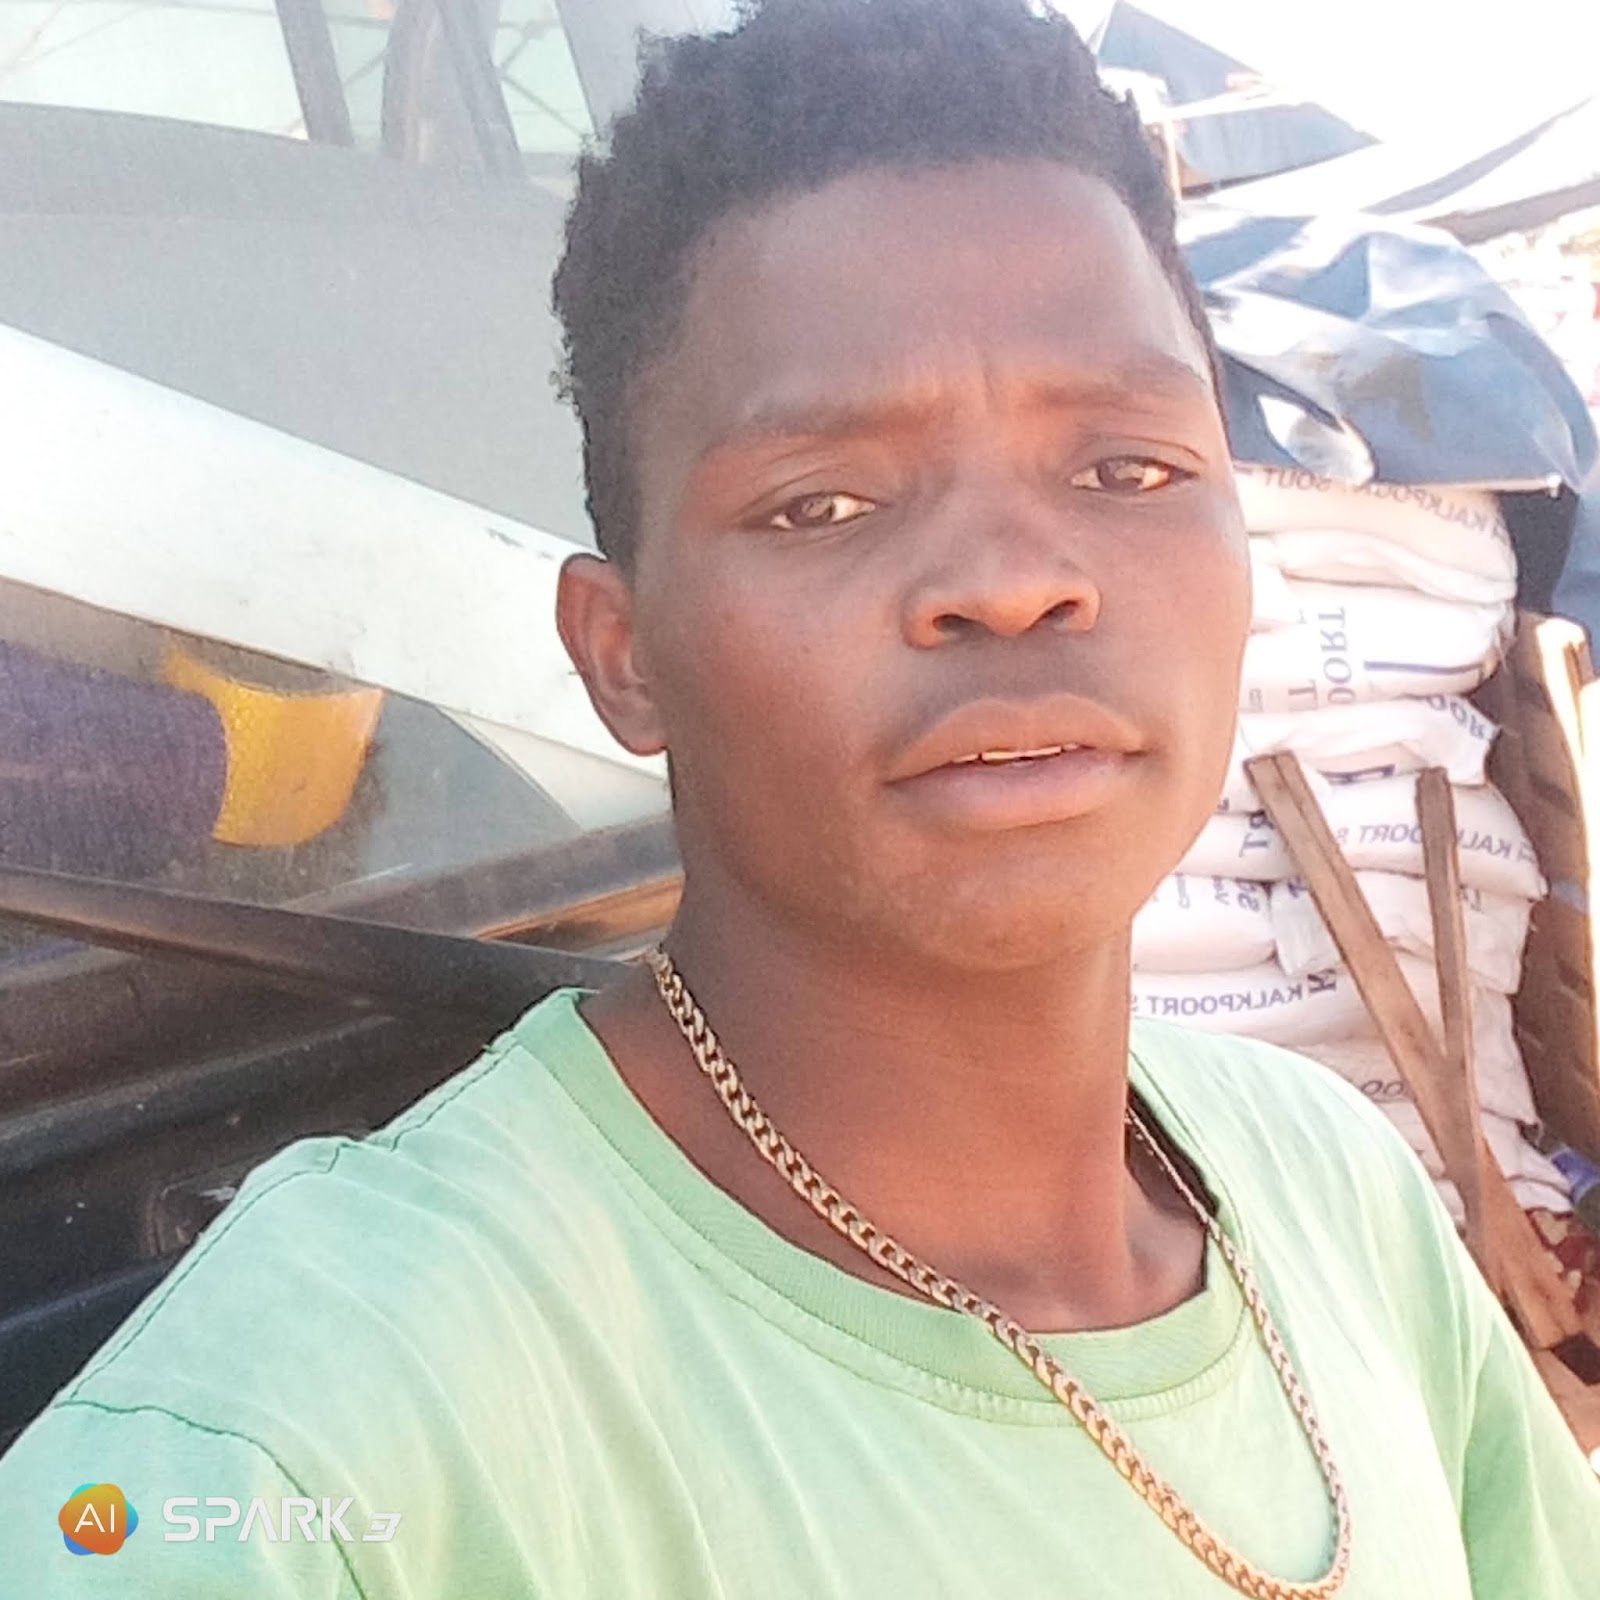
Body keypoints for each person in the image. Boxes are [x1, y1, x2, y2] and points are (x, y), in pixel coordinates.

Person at [3, 1, 1597, 1593]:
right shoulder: (311, 1442)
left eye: (1129, 470)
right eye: (824, 502)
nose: (1015, 580)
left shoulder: (1336, 1197)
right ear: (622, 655)